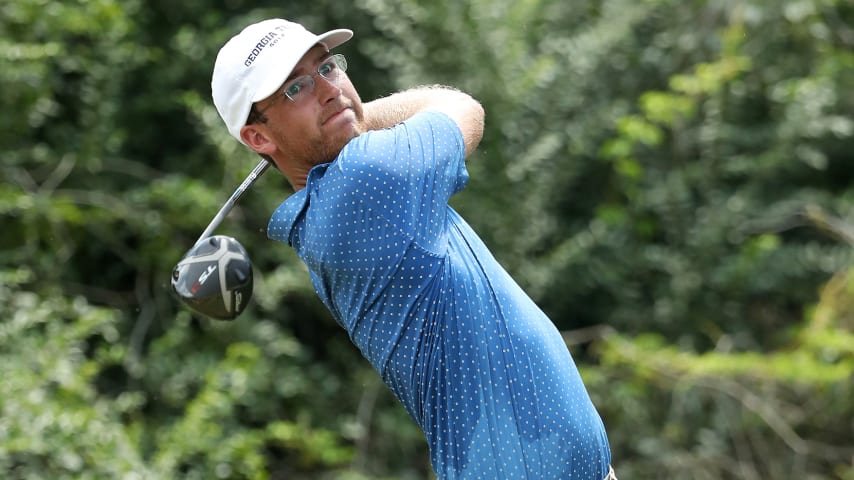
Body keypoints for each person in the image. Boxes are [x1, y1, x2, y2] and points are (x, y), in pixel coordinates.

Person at [212, 18, 616, 480]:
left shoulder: (334, 203)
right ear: (259, 138)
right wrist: (353, 114)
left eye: (327, 69)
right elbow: (459, 106)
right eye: (295, 89)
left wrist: (342, 116)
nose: (328, 90)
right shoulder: (364, 181)